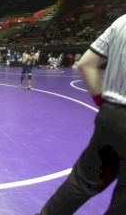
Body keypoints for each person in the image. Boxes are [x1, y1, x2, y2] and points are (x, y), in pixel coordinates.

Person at [37, 15, 126, 215]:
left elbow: (86, 63)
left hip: (111, 116)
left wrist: (103, 103)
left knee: (82, 181)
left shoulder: (121, 22)